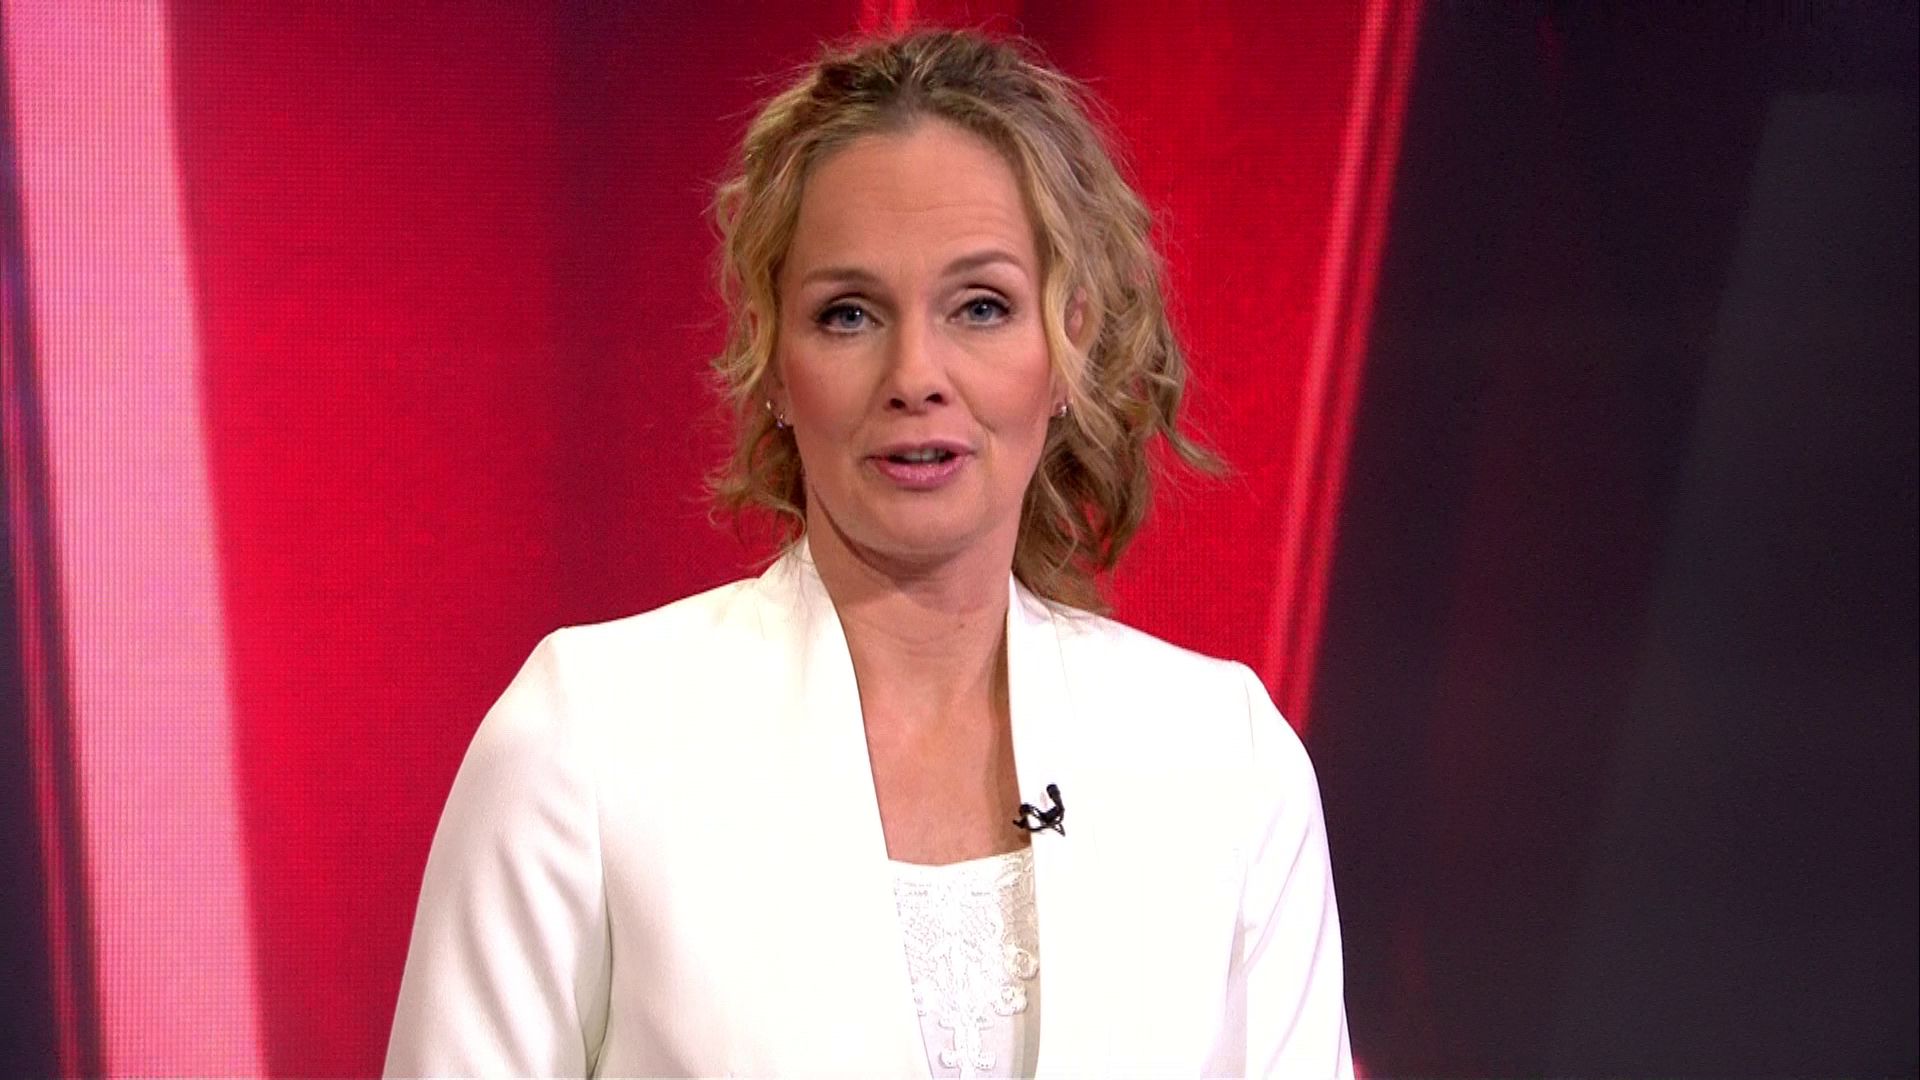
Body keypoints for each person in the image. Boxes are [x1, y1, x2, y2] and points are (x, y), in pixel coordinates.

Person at [385, 28, 1350, 1078]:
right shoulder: (589, 733)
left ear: (1067, 342)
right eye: (849, 314)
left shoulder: (1222, 758)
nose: (915, 374)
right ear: (772, 357)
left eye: (980, 307)